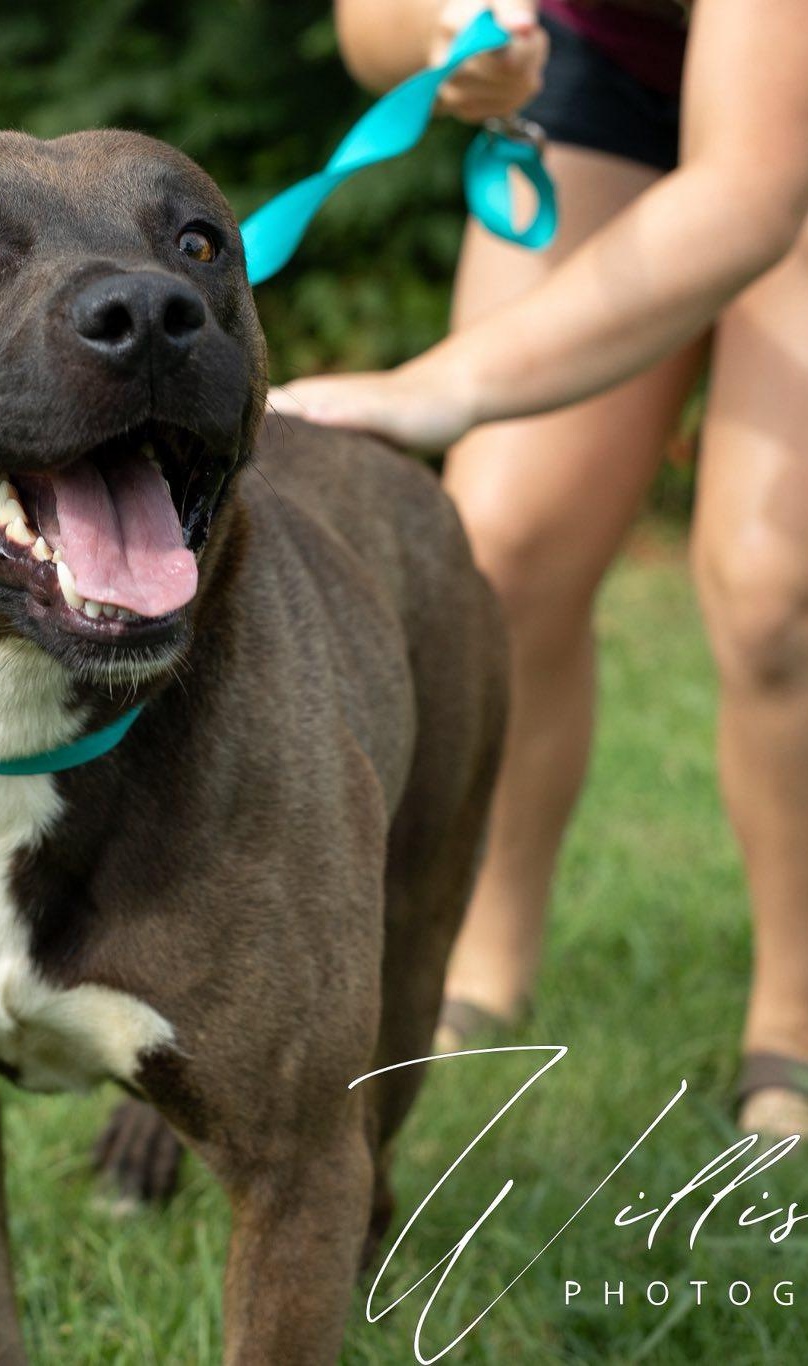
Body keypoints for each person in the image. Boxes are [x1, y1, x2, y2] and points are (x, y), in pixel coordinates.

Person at [271, 0, 808, 1137]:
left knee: (776, 589)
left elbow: (753, 191)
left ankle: (795, 1015)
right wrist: (447, 35)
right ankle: (487, 950)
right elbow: (366, 25)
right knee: (503, 551)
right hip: (606, 74)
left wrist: (443, 383)